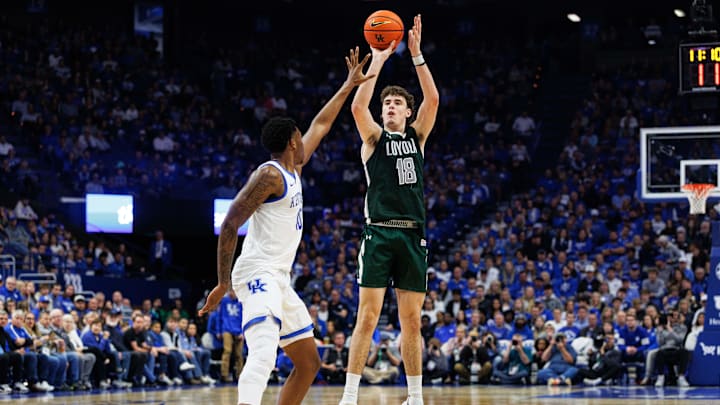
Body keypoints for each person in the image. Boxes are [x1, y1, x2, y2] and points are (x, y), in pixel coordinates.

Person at [198, 47, 374, 405]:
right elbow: (231, 223)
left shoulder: (294, 167)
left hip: (279, 277)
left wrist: (346, 85)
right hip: (257, 272)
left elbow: (321, 125)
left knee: (309, 363)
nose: (304, 135)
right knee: (263, 353)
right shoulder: (269, 174)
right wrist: (223, 281)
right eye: (299, 133)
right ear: (292, 140)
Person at [340, 14, 440, 405]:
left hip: (413, 235)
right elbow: (357, 108)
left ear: (408, 113)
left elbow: (432, 99)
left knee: (411, 321)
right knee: (367, 317)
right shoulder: (373, 139)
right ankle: (350, 394)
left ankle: (415, 397)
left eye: (398, 103)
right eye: (388, 104)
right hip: (379, 232)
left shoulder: (417, 137)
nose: (391, 107)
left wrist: (415, 56)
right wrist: (379, 59)